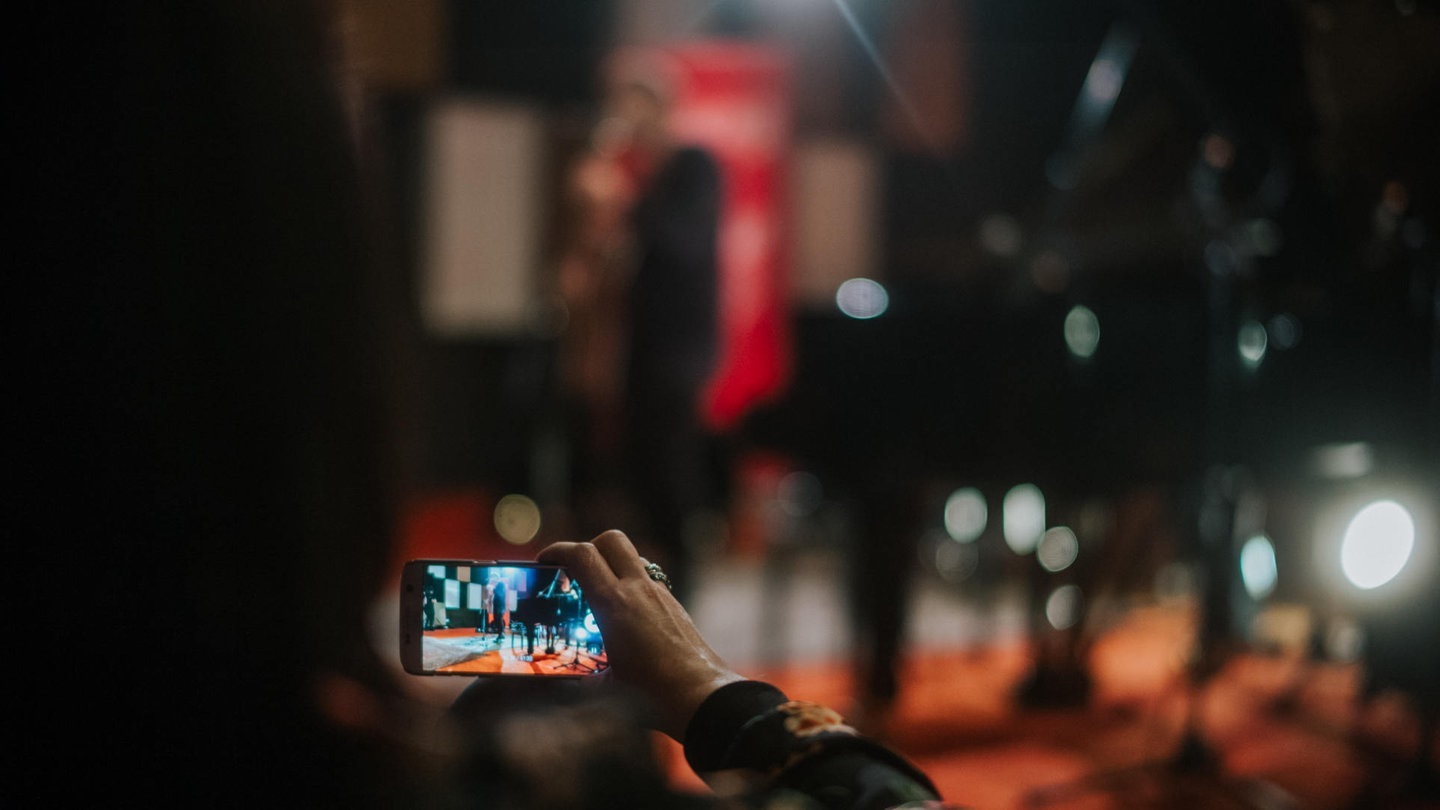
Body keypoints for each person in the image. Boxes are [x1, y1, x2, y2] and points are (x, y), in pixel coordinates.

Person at [23, 3, 956, 807]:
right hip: (621, 379)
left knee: (642, 526)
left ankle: (671, 599)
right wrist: (711, 696)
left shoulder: (691, 173)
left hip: (672, 370)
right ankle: (672, 630)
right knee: (577, 589)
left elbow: (678, 270)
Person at [556, 67, 722, 606]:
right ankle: (646, 585)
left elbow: (685, 248)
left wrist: (632, 199)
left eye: (633, 107)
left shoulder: (691, 168)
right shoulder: (638, 179)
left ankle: (685, 587)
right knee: (635, 467)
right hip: (630, 346)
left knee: (670, 466)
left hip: (676, 347)